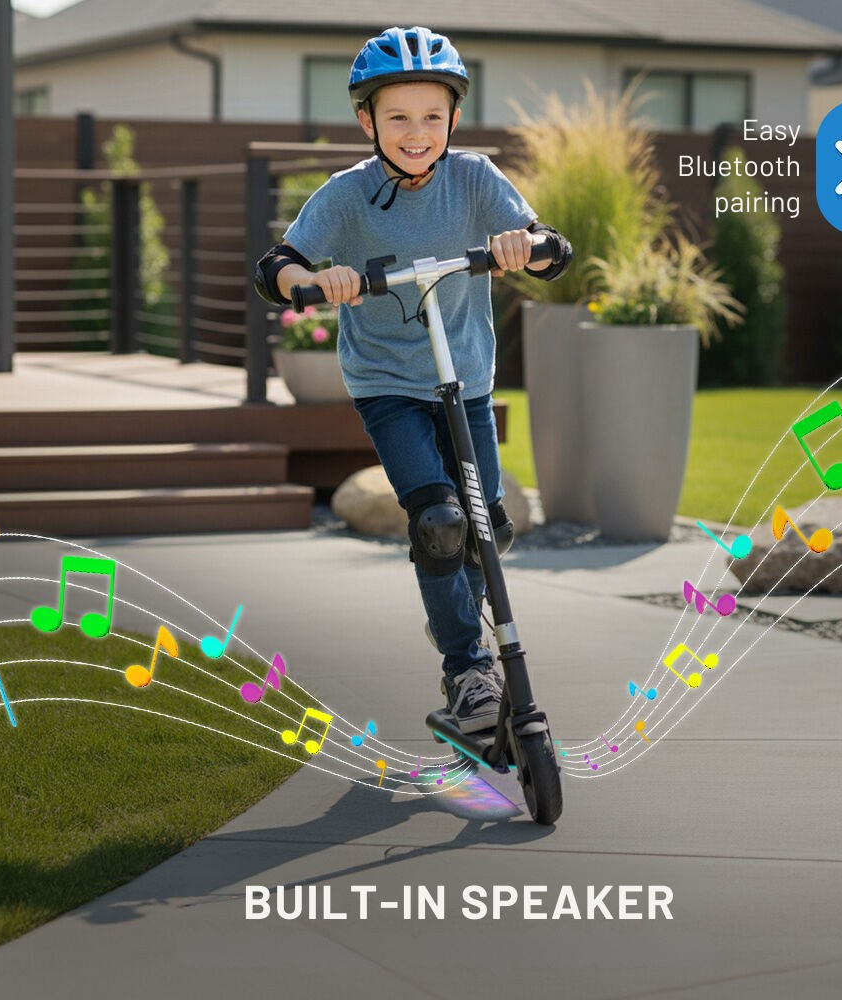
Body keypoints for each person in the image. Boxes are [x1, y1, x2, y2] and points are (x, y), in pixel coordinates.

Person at [255, 26, 571, 733]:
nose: (417, 132)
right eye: (397, 116)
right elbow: (275, 266)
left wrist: (530, 247)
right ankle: (468, 672)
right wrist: (312, 277)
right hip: (388, 385)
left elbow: (552, 248)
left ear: (454, 119)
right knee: (438, 523)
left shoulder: (476, 178)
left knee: (486, 527)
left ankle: (452, 617)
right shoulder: (347, 196)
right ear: (367, 121)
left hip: (468, 380)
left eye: (433, 116)